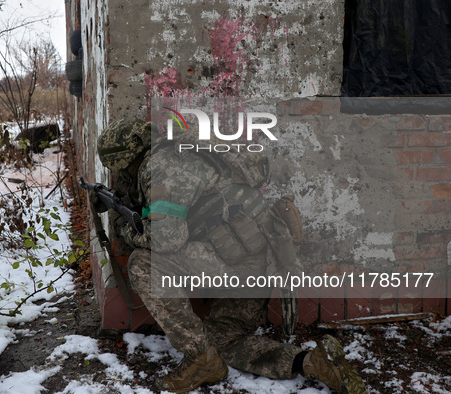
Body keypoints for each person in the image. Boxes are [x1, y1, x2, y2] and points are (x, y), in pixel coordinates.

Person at [92, 118, 366, 394]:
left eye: (119, 169)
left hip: (238, 266)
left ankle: (200, 359)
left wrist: (125, 229)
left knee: (143, 264)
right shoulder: (185, 151)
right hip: (261, 266)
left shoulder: (162, 167)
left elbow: (168, 238)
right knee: (225, 340)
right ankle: (311, 363)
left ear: (125, 159)